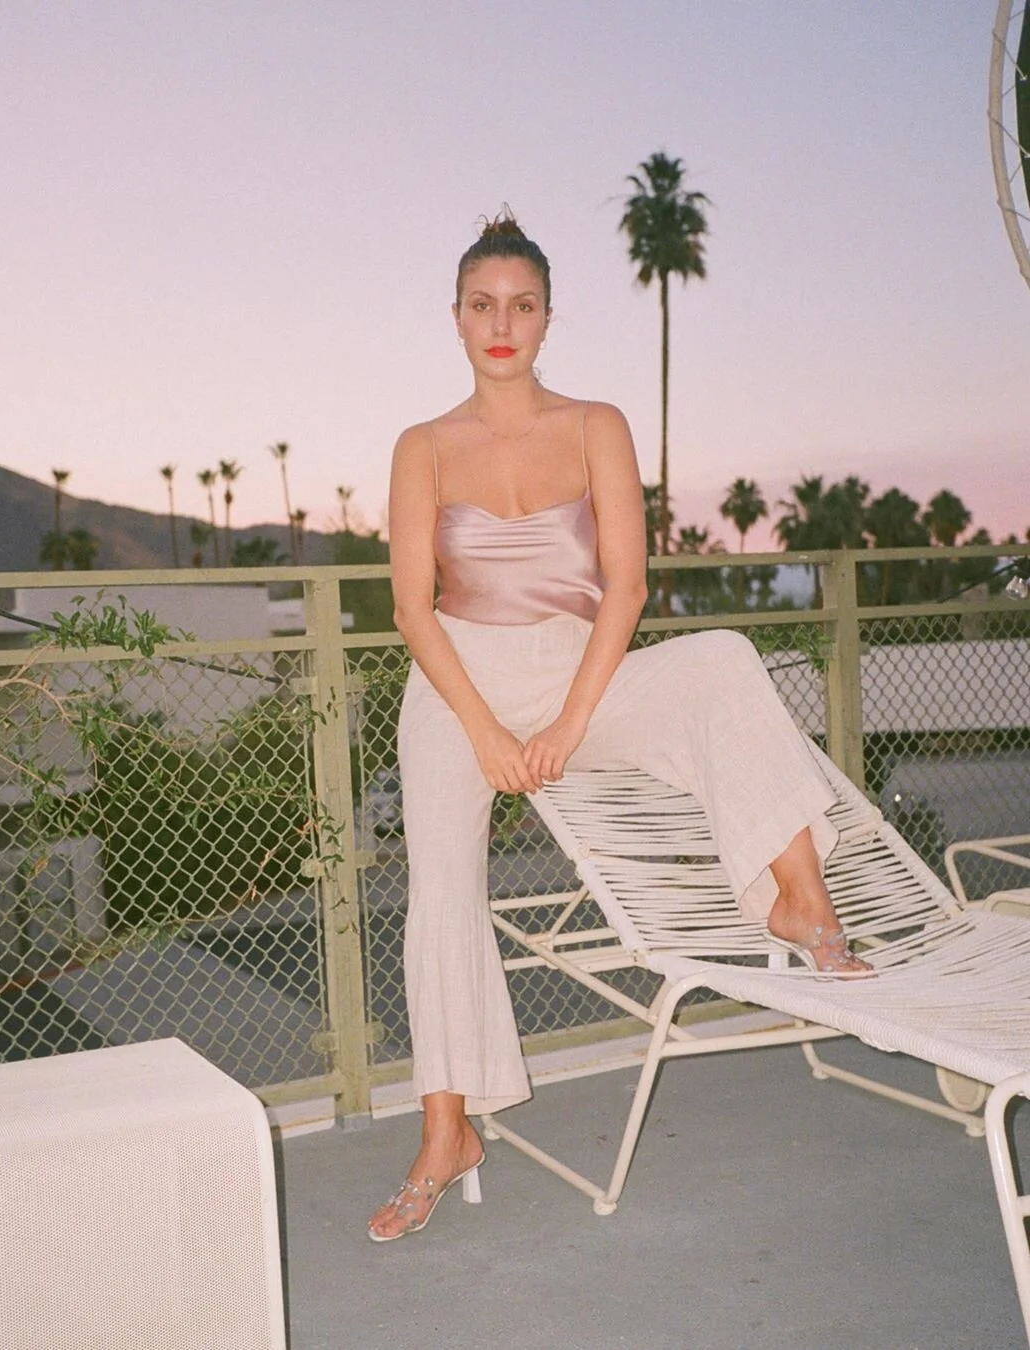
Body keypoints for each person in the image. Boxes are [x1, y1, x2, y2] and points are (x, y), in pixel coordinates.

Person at [368, 211, 870, 1243]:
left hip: (579, 674)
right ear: (455, 317)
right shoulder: (422, 446)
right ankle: (445, 1133)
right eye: (482, 305)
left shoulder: (598, 424)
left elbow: (628, 588)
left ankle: (802, 903)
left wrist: (568, 721)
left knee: (721, 659)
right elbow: (413, 610)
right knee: (440, 892)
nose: (501, 324)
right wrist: (489, 733)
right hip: (457, 685)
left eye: (522, 305)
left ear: (548, 319)